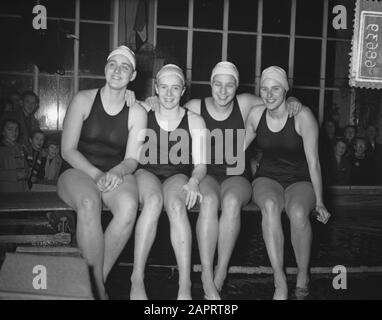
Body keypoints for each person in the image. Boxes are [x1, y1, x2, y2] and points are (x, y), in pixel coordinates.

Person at [145, 61, 302, 300]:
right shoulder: (196, 106)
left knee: (230, 203)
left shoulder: (246, 102)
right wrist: (152, 101)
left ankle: (221, 271)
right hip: (206, 173)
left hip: (236, 175)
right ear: (210, 84)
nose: (223, 91)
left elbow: (275, 99)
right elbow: (170, 111)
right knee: (208, 201)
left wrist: (292, 101)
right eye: (218, 84)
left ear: (237, 86)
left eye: (230, 85)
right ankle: (207, 275)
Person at [57, 45, 147, 299]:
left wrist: (117, 171)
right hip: (78, 169)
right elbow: (68, 150)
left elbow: (131, 159)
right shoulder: (83, 99)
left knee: (129, 207)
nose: (117, 70)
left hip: (115, 171)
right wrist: (96, 175)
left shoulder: (137, 112)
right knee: (88, 201)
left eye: (125, 67)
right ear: (105, 68)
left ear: (133, 76)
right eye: (112, 64)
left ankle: (94, 285)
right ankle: (97, 290)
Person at [245, 66, 331, 300]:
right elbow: (235, 149)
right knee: (271, 207)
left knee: (298, 212)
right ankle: (279, 279)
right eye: (264, 89)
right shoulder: (255, 114)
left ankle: (303, 274)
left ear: (286, 90)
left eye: (275, 89)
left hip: (300, 178)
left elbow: (314, 163)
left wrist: (320, 202)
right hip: (267, 177)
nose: (269, 94)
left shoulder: (302, 116)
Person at [130, 64, 207, 300]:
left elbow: (201, 164)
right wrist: (135, 98)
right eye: (164, 87)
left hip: (177, 173)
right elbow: (122, 104)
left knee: (175, 205)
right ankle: (137, 278)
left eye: (175, 88)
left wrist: (194, 181)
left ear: (183, 90)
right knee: (153, 201)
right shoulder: (144, 112)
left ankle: (185, 284)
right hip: (146, 171)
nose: (169, 94)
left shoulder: (194, 120)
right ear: (156, 88)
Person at [0, 118, 29, 192]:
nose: (14, 132)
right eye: (10, 129)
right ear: (3, 132)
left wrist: (27, 172)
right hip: (7, 190)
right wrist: (15, 175)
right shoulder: (2, 149)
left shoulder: (20, 147)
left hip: (22, 188)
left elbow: (25, 166)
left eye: (16, 129)